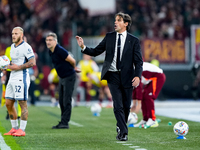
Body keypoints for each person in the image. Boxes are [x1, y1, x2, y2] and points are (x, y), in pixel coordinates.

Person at [76, 12, 143, 141]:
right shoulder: (109, 37)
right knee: (117, 105)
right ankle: (124, 132)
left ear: (126, 24)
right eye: (115, 20)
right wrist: (83, 47)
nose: (115, 22)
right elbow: (96, 52)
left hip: (128, 77)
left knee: (126, 106)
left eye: (118, 20)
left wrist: (138, 76)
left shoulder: (134, 40)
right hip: (112, 75)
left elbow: (138, 62)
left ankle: (120, 126)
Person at [4, 26, 36, 137]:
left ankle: (22, 130)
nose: (13, 35)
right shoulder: (12, 47)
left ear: (21, 35)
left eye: (16, 33)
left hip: (21, 78)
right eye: (12, 33)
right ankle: (14, 128)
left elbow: (32, 62)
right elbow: (14, 63)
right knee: (8, 103)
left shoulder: (26, 47)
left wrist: (19, 67)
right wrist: (5, 66)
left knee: (22, 104)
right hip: (12, 77)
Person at [45, 32, 81, 129]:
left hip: (69, 76)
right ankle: (63, 121)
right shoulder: (50, 51)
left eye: (50, 40)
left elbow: (72, 60)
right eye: (47, 40)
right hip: (62, 77)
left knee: (66, 100)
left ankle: (65, 122)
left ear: (55, 41)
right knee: (61, 100)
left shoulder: (60, 50)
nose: (48, 42)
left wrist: (75, 68)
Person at [134, 62, 166, 128]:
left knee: (149, 97)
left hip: (158, 77)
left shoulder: (137, 69)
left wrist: (138, 104)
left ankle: (152, 119)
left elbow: (139, 87)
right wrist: (134, 104)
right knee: (144, 96)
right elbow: (135, 87)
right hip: (150, 80)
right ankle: (145, 119)